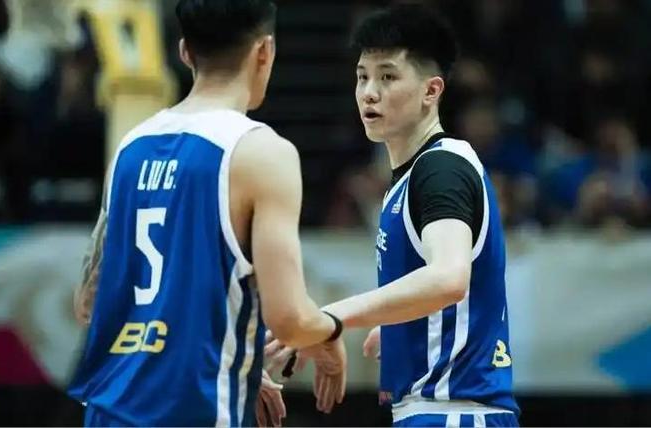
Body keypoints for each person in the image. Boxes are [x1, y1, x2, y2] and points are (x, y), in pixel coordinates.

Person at [68, 1, 346, 426]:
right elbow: (290, 319)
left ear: (185, 52)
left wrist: (232, 358)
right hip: (191, 412)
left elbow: (88, 302)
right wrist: (330, 332)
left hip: (108, 412)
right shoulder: (262, 153)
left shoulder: (130, 147)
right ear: (265, 51)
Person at [269, 4, 519, 427]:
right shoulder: (408, 179)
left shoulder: (441, 168)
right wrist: (402, 326)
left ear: (431, 91)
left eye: (387, 77)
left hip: (454, 413)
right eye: (362, 76)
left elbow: (448, 278)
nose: (369, 92)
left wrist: (332, 317)